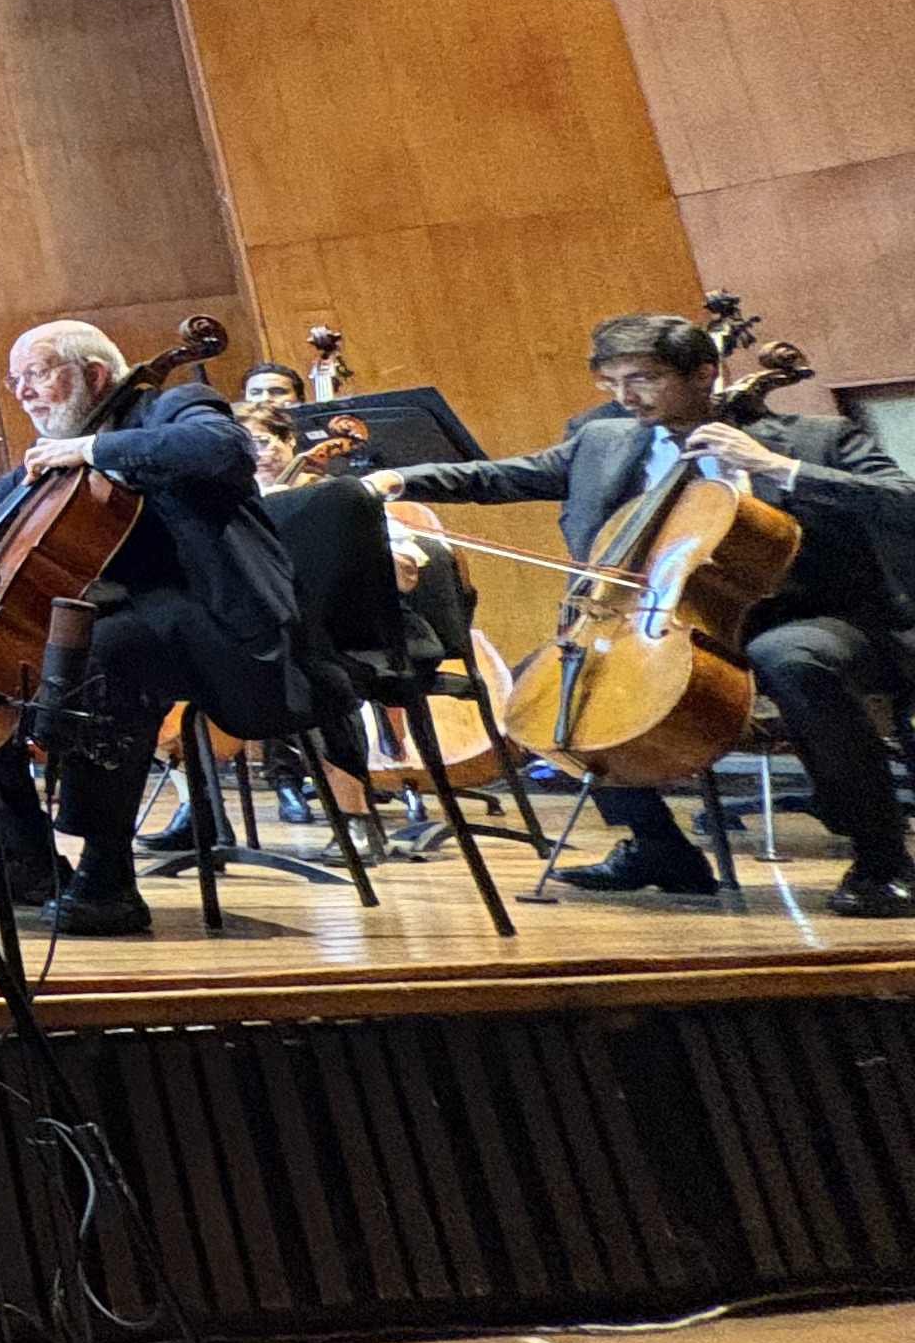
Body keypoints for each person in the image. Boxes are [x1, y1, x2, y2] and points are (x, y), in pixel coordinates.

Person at [374, 311, 915, 915]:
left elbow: (903, 502)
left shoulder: (817, 439)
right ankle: (659, 849)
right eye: (612, 382)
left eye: (644, 378)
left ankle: (882, 857)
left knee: (790, 657)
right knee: (555, 683)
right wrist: (394, 480)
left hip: (805, 614)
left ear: (704, 373)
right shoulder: (604, 439)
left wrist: (778, 469)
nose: (626, 397)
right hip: (662, 619)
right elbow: (501, 477)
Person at [0, 318, 302, 939]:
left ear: (95, 374)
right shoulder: (62, 455)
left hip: (219, 619)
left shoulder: (171, 406)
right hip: (124, 621)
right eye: (16, 380)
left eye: (38, 374)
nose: (23, 392)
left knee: (100, 652)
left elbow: (222, 451)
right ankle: (24, 858)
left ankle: (108, 876)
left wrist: (92, 450)